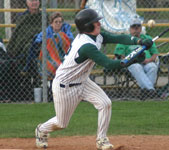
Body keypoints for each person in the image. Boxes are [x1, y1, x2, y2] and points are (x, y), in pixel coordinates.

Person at [34, 8, 152, 150]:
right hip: (65, 86)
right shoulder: (86, 46)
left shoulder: (97, 35)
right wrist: (132, 59)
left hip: (83, 81)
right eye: (95, 22)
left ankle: (101, 139)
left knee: (105, 103)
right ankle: (41, 130)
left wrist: (139, 41)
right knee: (61, 123)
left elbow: (119, 38)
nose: (99, 24)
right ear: (87, 27)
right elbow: (109, 64)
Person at [5, 0, 42, 101]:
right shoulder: (22, 17)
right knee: (13, 56)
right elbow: (18, 34)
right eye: (31, 0)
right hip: (21, 47)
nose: (34, 3)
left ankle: (25, 72)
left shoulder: (43, 17)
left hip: (37, 47)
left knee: (29, 47)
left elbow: (43, 33)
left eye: (36, 0)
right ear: (26, 2)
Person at [114, 17, 159, 100]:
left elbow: (155, 54)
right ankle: (151, 91)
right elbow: (120, 55)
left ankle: (145, 92)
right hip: (132, 63)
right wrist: (131, 60)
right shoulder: (125, 39)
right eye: (133, 27)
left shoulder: (147, 38)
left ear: (141, 28)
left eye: (138, 27)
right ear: (130, 29)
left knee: (153, 67)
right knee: (136, 67)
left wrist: (148, 60)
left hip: (146, 62)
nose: (136, 29)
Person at [23, 11, 74, 80]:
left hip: (64, 54)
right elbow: (38, 40)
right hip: (50, 55)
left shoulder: (65, 29)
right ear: (51, 24)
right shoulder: (47, 31)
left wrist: (59, 38)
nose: (58, 24)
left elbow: (70, 40)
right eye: (56, 22)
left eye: (60, 22)